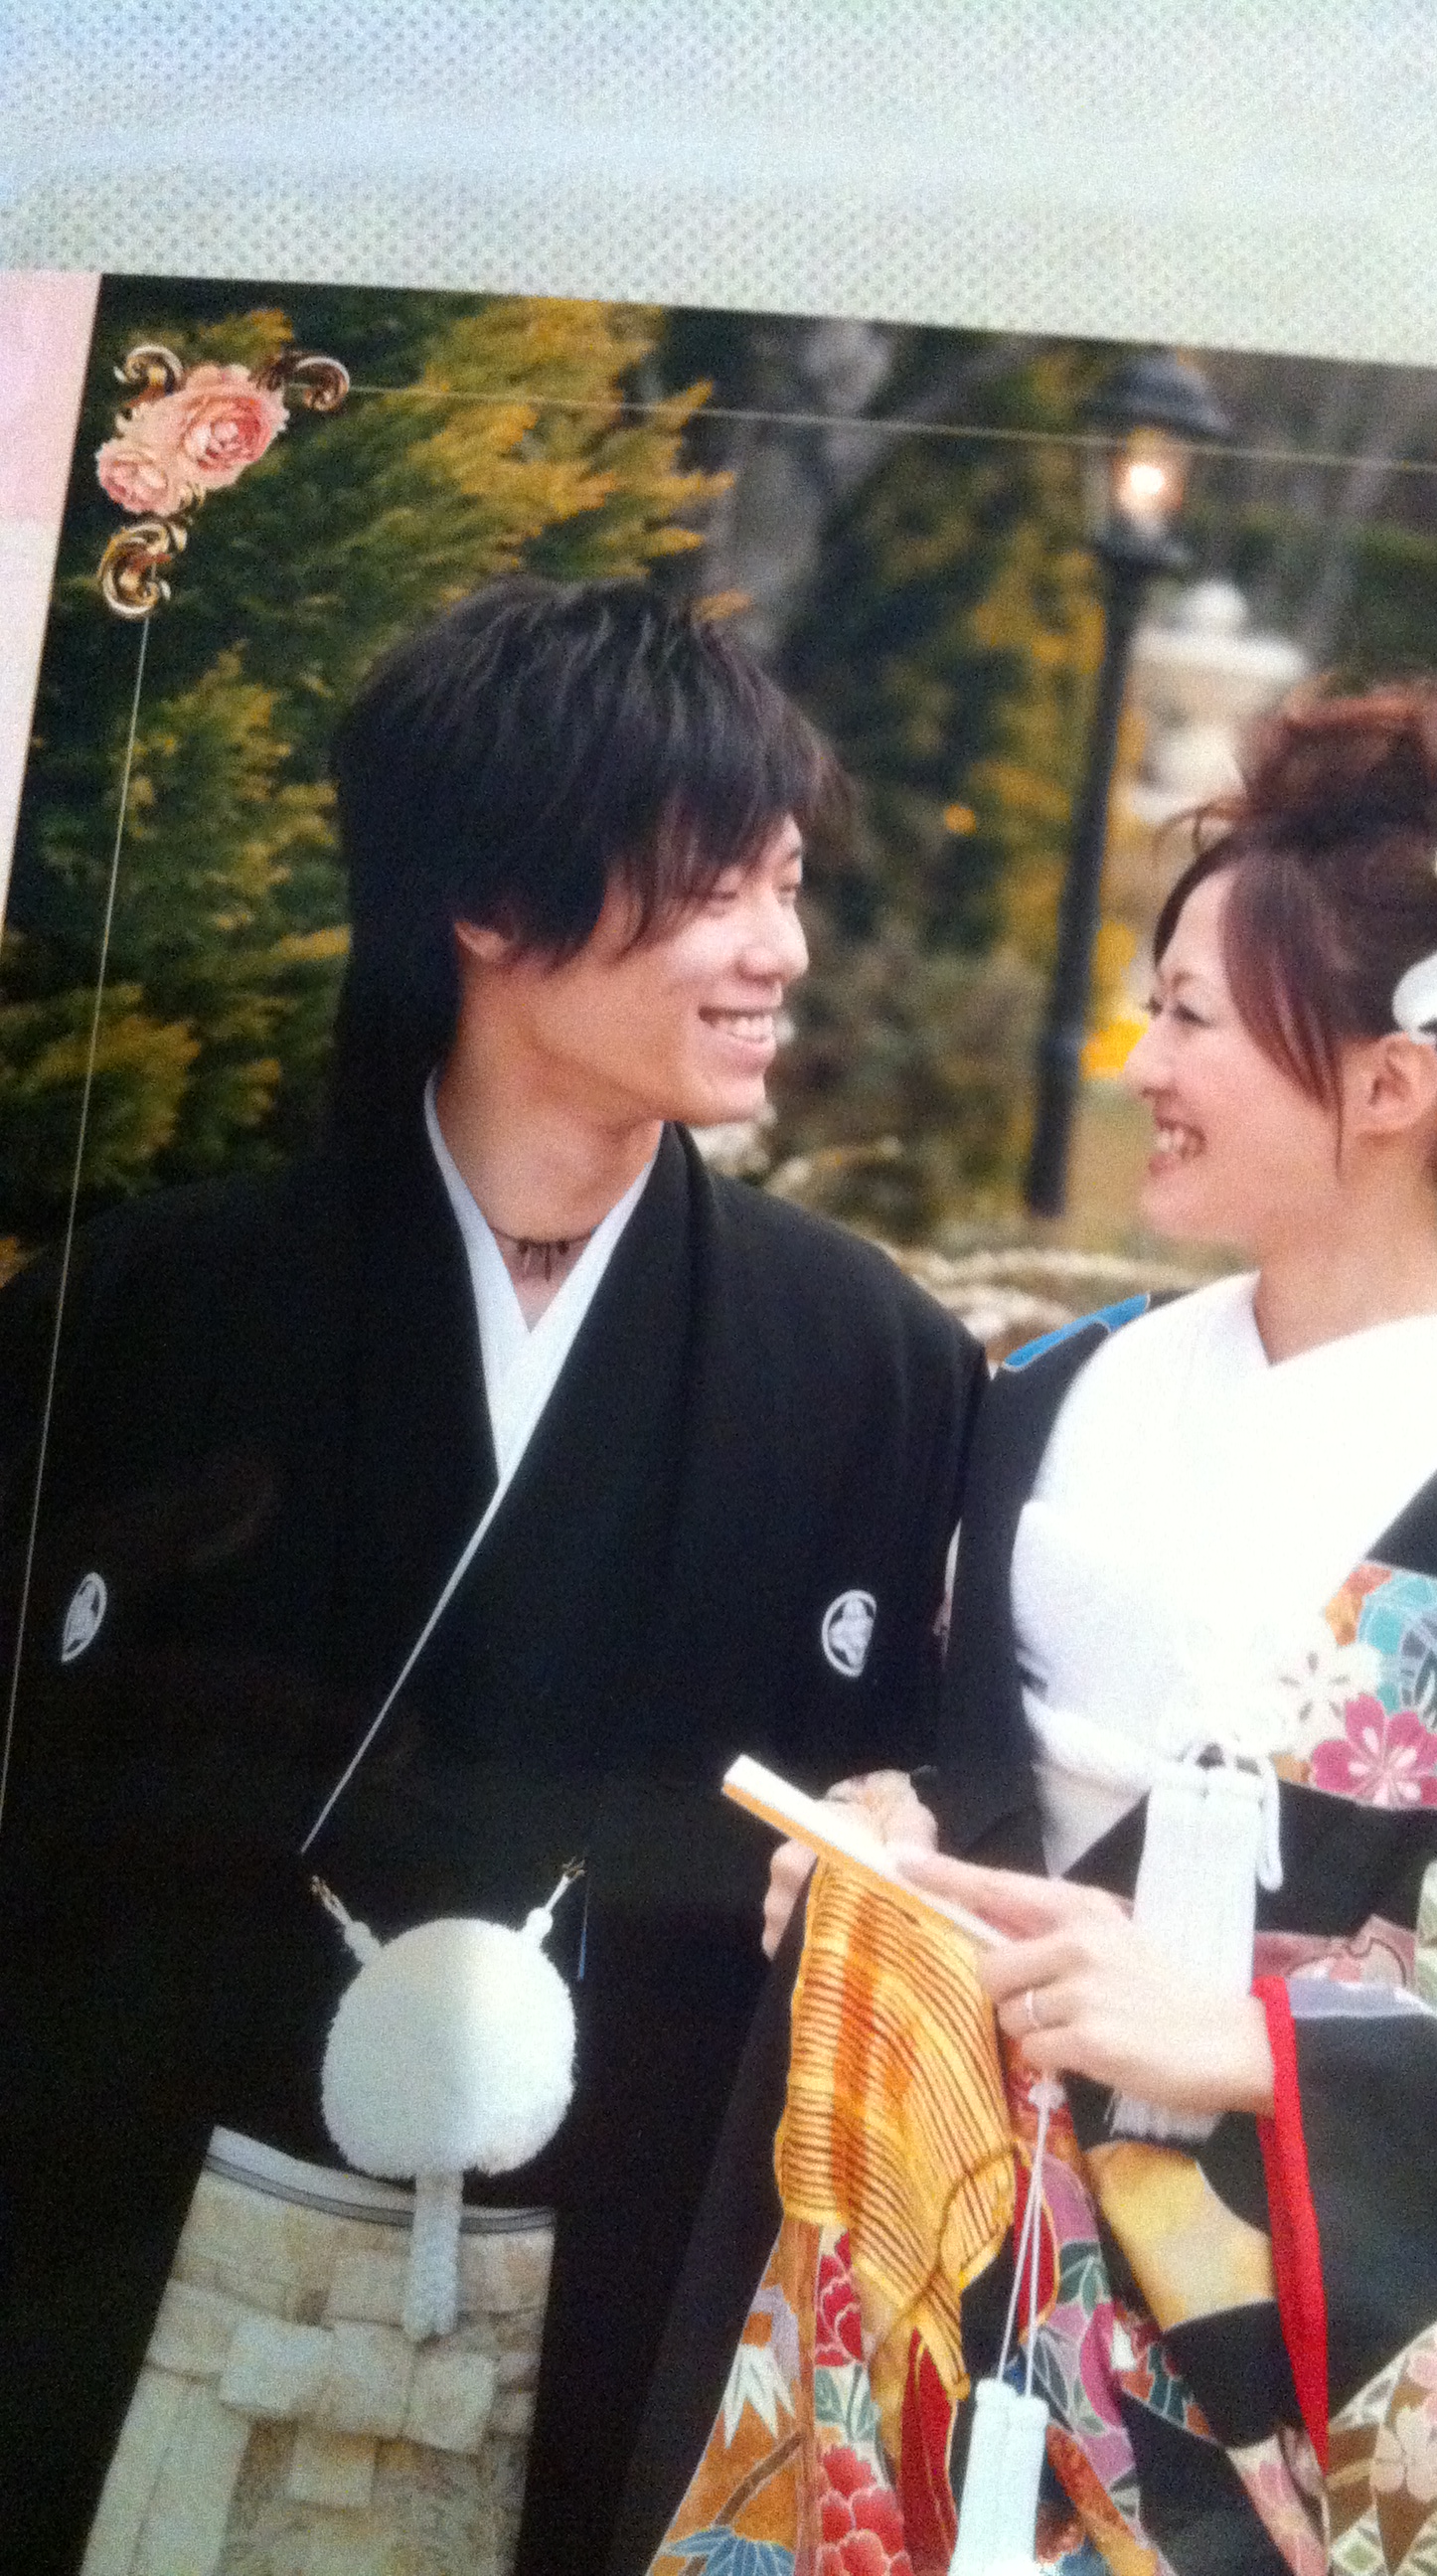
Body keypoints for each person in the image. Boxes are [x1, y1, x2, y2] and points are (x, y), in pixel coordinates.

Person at [631, 683, 1437, 2576]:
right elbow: (956, 1758)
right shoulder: (1053, 1398)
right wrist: (893, 1828)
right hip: (928, 2298)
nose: (1139, 1063)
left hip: (1246, 2433)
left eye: (1190, 1019)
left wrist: (1267, 2041)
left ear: (1391, 1085)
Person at [0, 577, 982, 2576]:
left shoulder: (871, 1364)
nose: (780, 951)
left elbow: (922, 1798)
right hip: (168, 2275)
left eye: (789, 886)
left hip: (613, 2319)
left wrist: (906, 1829)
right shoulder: (143, 1317)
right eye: (717, 888)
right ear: (488, 904)